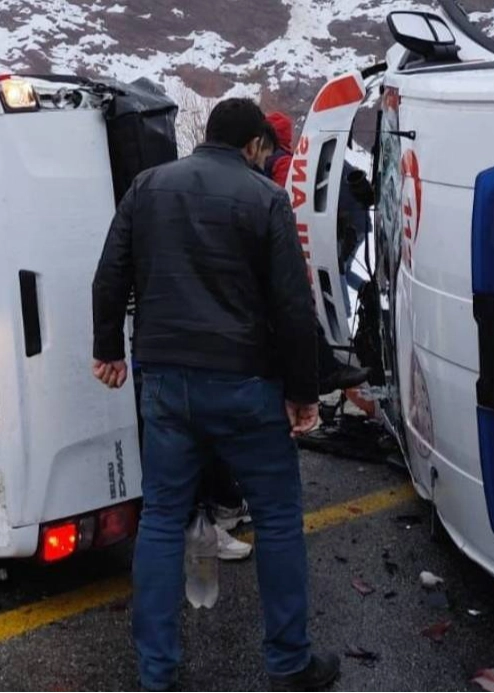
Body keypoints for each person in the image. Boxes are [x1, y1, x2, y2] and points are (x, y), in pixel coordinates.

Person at [92, 98, 340, 693]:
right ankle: (288, 665)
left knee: (161, 521)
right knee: (278, 521)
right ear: (255, 144)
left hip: (166, 383)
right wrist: (305, 393)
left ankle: (157, 674)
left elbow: (110, 273)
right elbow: (292, 306)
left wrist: (108, 350)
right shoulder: (266, 198)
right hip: (246, 385)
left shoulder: (148, 186)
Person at [261, 112, 370, 395]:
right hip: (342, 225)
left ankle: (339, 328)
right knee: (335, 272)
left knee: (334, 272)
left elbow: (287, 205)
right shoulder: (297, 162)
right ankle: (344, 319)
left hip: (346, 226)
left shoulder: (285, 164)